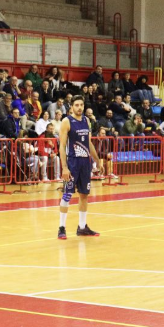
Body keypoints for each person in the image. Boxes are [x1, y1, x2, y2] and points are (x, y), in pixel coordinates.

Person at [56, 98, 101, 240]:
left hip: (85, 163)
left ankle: (82, 227)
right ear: (71, 107)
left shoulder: (86, 121)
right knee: (67, 194)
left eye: (81, 105)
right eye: (77, 105)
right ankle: (61, 227)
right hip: (73, 162)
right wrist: (64, 167)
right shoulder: (66, 121)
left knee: (84, 194)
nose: (79, 107)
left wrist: (97, 161)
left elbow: (89, 142)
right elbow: (62, 146)